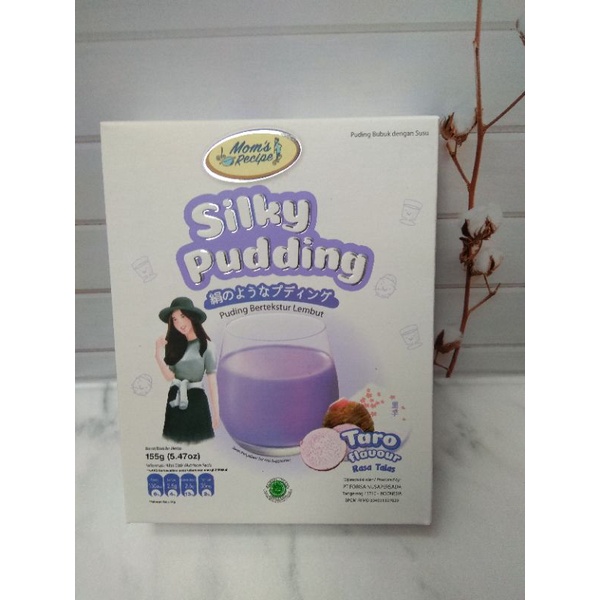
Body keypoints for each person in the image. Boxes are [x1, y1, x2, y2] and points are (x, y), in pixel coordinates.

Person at [155, 297, 219, 443]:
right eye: (175, 319)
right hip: (175, 397)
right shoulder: (173, 346)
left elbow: (212, 381)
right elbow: (169, 377)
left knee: (199, 440)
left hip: (196, 399)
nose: (179, 323)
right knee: (173, 439)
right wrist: (158, 355)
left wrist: (216, 413)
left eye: (182, 316)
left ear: (192, 317)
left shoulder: (207, 346)